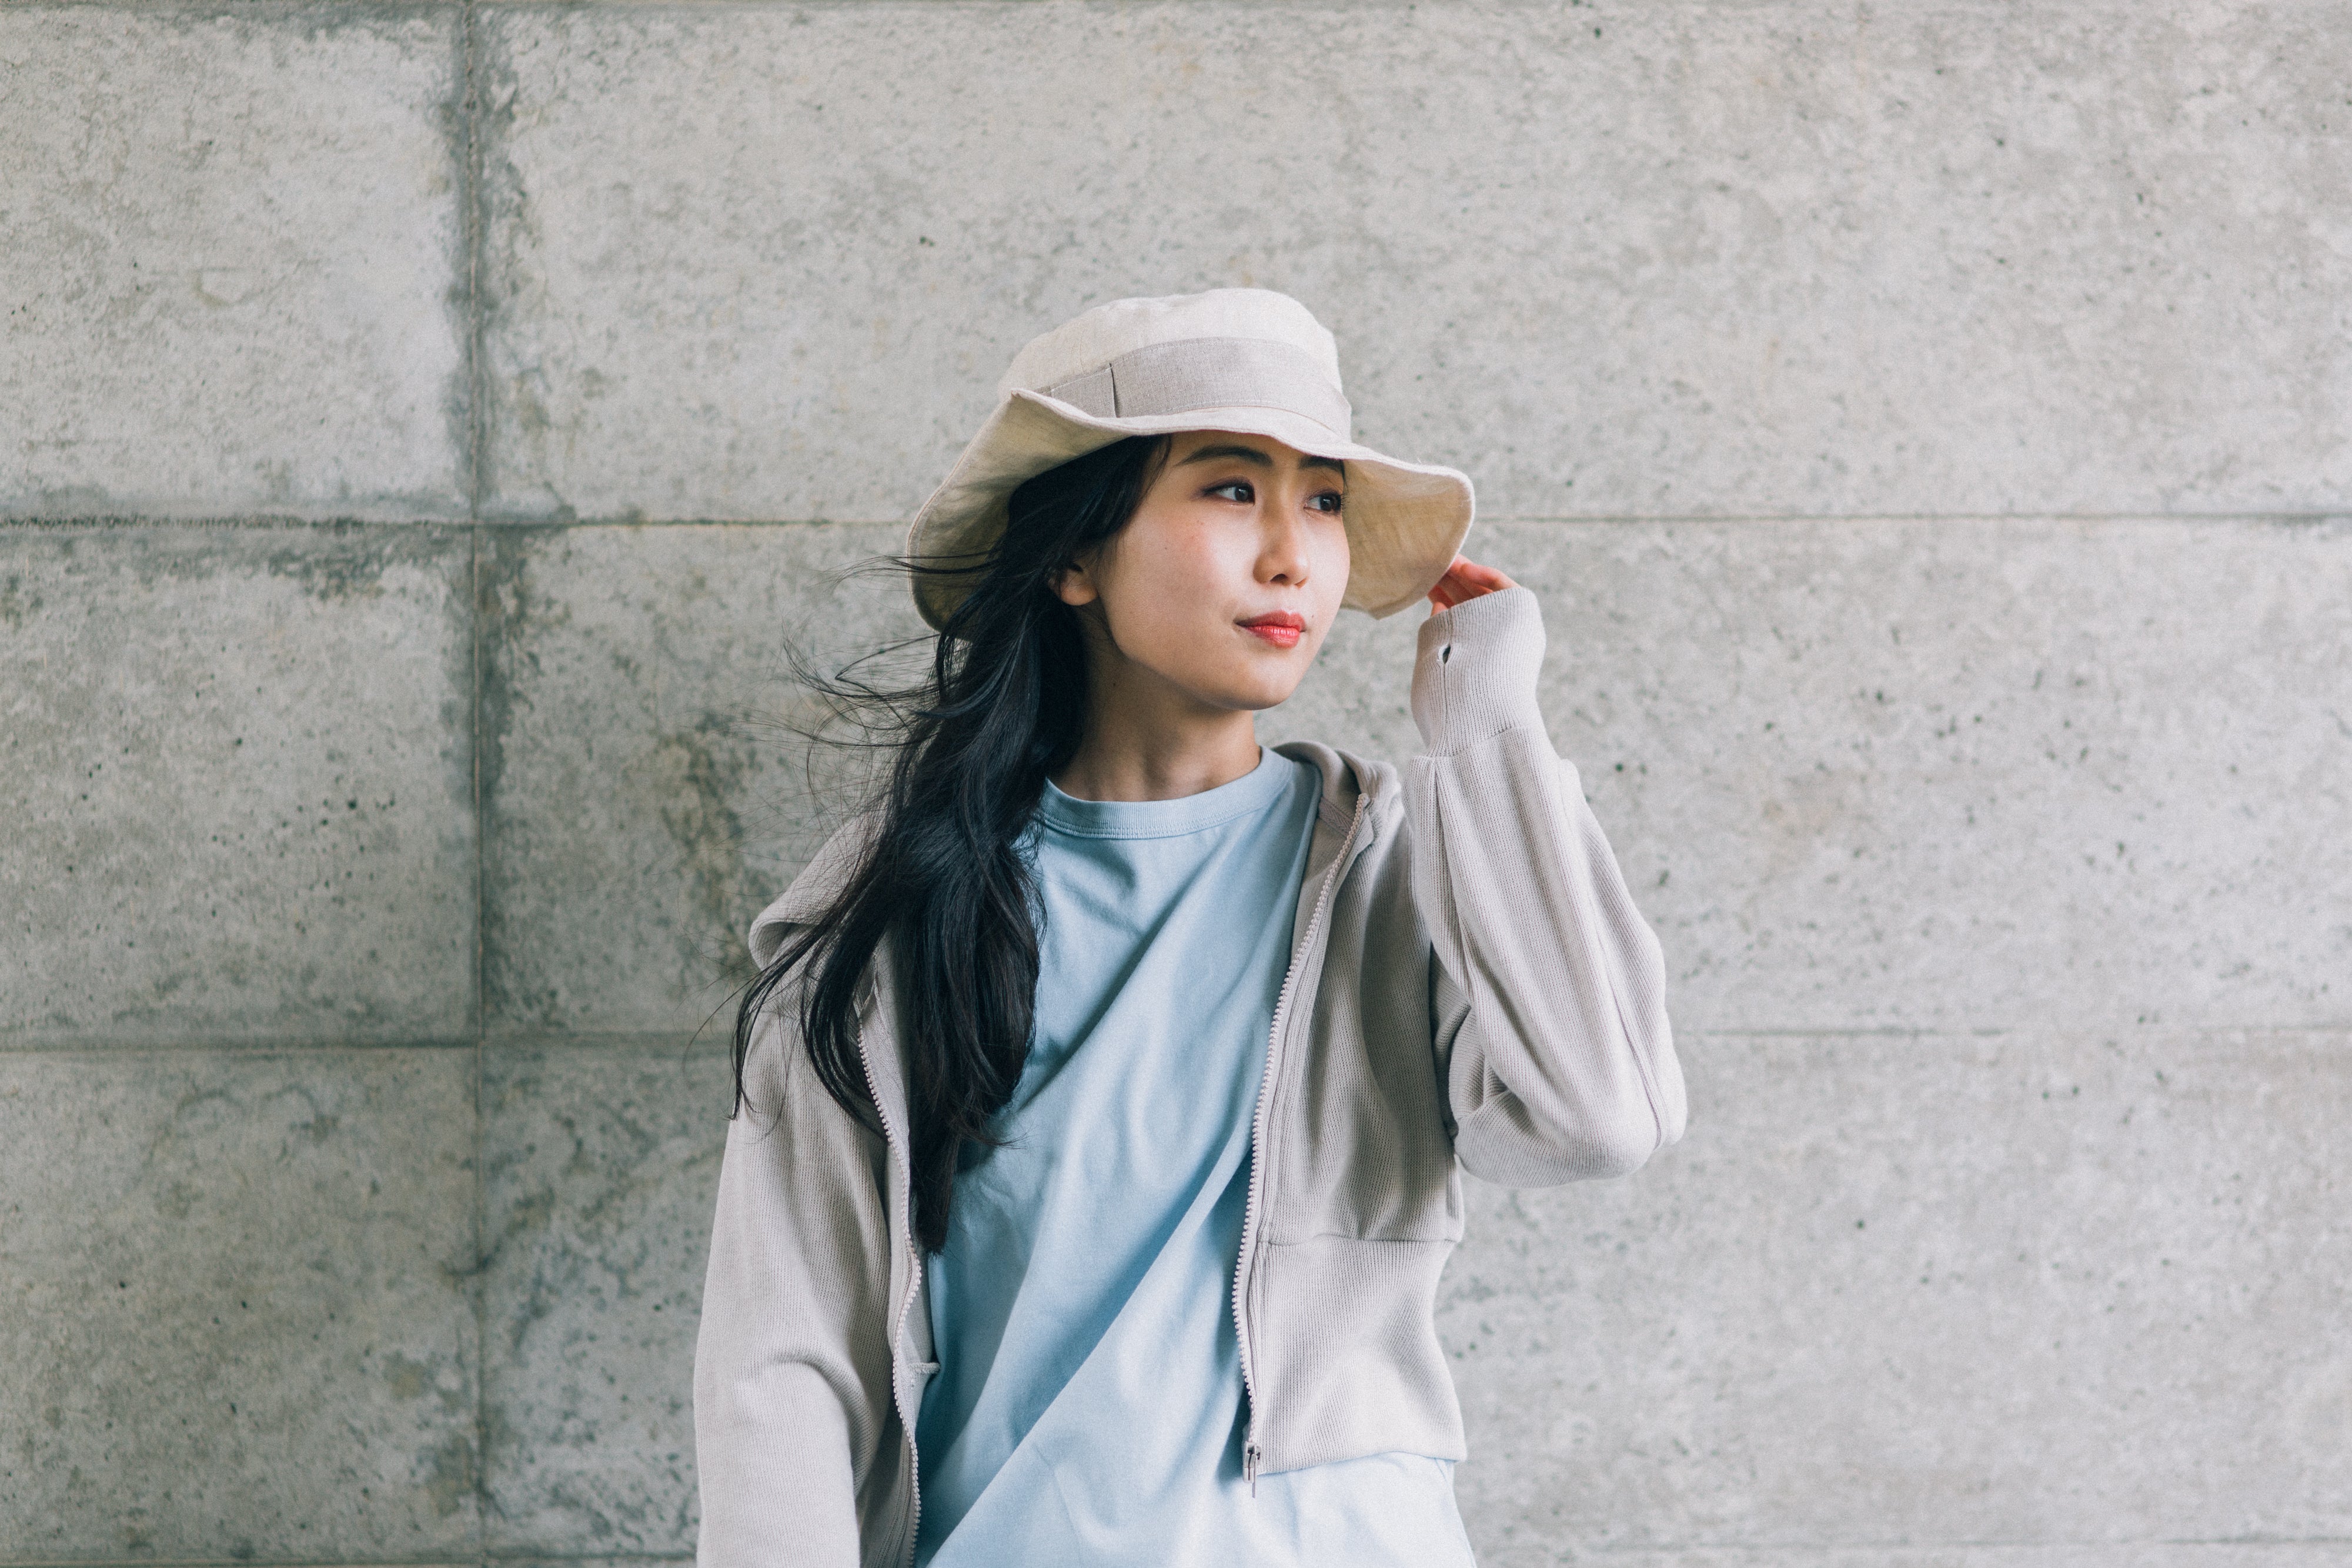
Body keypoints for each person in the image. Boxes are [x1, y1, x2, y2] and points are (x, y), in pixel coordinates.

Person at [692, 288, 1687, 1568]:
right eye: (1230, 489)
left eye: (1322, 501)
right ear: (1075, 555)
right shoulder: (895, 913)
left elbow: (1597, 1118)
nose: (1292, 555)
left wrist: (1486, 726)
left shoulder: (1397, 869)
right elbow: (783, 1369)